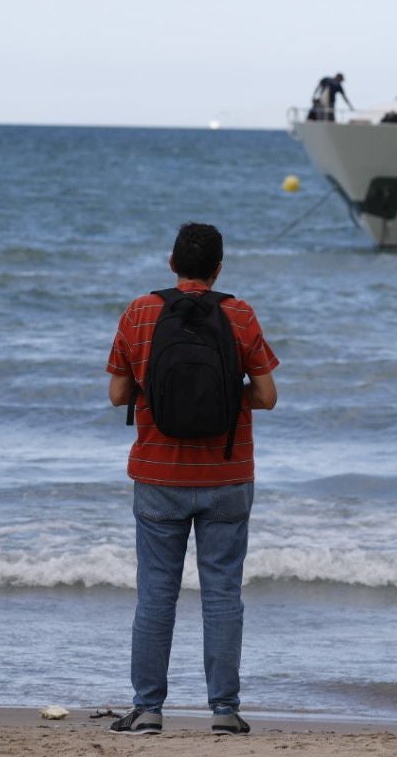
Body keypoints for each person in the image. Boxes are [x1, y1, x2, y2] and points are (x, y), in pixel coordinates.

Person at [105, 223, 279, 736]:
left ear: (171, 263)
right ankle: (224, 711)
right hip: (227, 476)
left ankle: (147, 709)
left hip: (158, 477)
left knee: (156, 594)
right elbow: (267, 396)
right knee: (223, 593)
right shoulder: (239, 313)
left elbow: (118, 395)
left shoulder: (140, 311)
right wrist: (229, 396)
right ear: (219, 269)